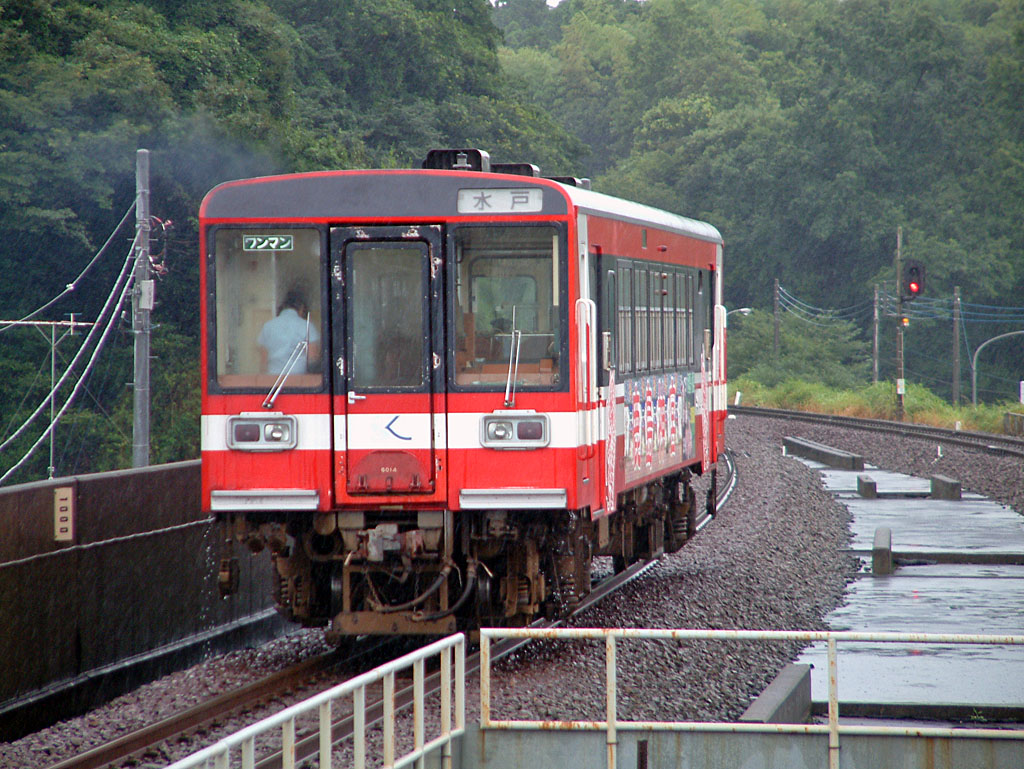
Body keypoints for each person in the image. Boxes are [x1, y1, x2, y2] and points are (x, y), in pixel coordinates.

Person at [258, 288, 321, 374]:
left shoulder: (267, 326)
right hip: (299, 378)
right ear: (302, 308)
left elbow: (263, 362)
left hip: (273, 378)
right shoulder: (307, 326)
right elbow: (312, 358)